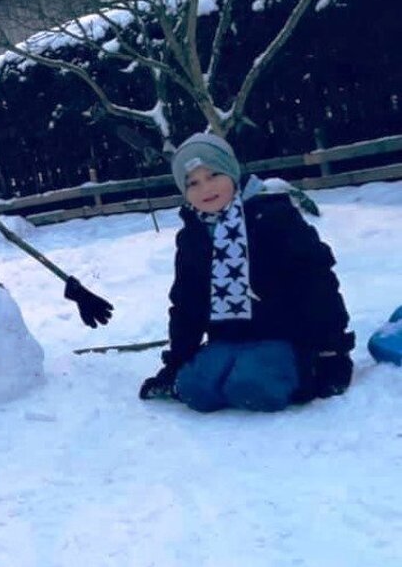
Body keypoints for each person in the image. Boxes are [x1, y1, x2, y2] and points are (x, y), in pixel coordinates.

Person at [139, 132, 354, 412]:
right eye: (193, 183)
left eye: (213, 175)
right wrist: (177, 362)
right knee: (194, 389)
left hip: (285, 335)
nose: (205, 188)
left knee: (253, 385)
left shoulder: (274, 217)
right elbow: (187, 303)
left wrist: (331, 352)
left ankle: (297, 370)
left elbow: (317, 284)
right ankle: (228, 367)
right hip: (229, 338)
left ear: (231, 171)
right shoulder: (193, 237)